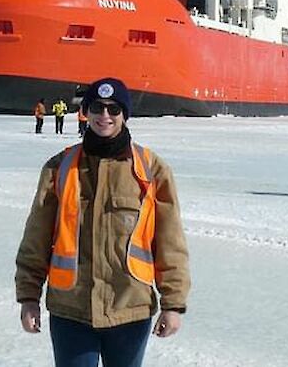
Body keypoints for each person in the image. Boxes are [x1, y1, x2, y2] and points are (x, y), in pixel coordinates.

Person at [16, 77, 190, 367]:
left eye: (114, 109)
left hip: (130, 309)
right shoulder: (59, 167)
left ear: (125, 114)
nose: (105, 116)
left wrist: (173, 303)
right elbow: (36, 238)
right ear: (87, 112)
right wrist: (28, 296)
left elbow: (170, 242)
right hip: (70, 310)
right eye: (97, 107)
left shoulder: (151, 169)